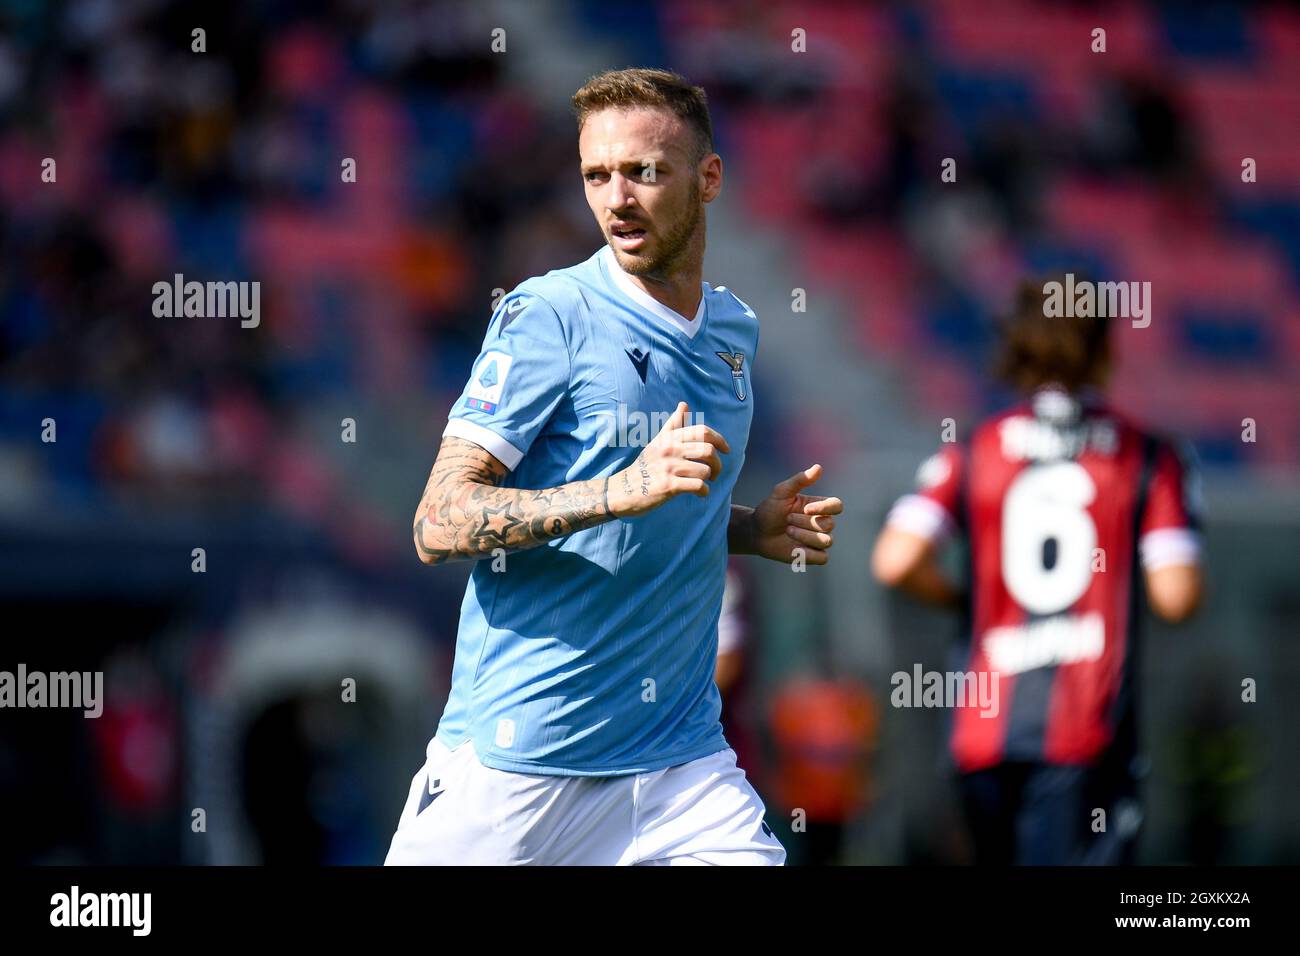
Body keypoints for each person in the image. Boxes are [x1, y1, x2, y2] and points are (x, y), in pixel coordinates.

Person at [385, 68, 842, 866]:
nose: (616, 199)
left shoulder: (733, 330)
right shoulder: (548, 315)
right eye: (597, 175)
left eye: (643, 172)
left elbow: (662, 506)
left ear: (709, 179)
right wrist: (618, 490)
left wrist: (745, 528)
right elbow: (438, 522)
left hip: (680, 767)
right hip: (518, 763)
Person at [871, 277, 1203, 865]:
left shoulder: (975, 449)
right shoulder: (1147, 456)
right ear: (1104, 347)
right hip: (1086, 732)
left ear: (1016, 346)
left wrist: (967, 600)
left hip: (983, 732)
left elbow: (895, 560)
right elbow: (1176, 596)